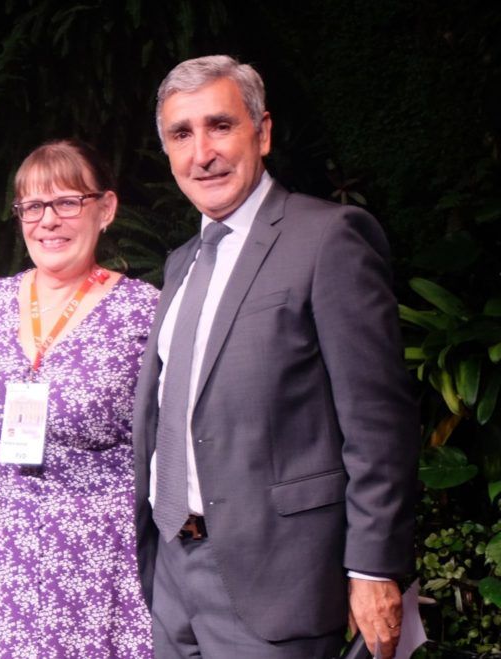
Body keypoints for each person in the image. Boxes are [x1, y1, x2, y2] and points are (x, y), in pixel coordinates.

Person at [132, 55, 419, 658]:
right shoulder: (181, 263)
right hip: (174, 574)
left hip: (277, 581)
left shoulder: (328, 238)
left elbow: (378, 421)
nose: (202, 153)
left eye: (220, 126)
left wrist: (373, 567)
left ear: (261, 133)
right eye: (181, 134)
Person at [0, 140, 157, 657]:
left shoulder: (144, 313)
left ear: (105, 209)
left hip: (100, 572)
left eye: (67, 202)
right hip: (1, 570)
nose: (48, 220)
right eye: (33, 206)